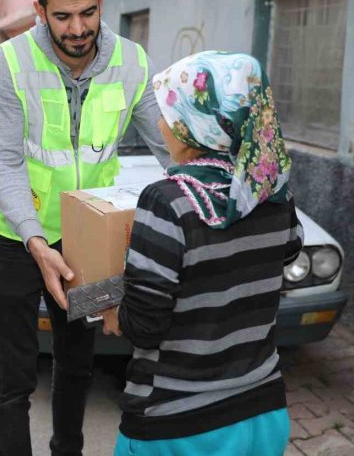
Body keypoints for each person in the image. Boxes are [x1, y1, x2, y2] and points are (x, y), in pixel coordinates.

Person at [0, 0, 171, 456]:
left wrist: (208, 195)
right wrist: (35, 240)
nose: (77, 29)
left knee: (76, 362)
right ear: (40, 11)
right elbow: (4, 160)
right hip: (16, 239)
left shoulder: (133, 61)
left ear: (102, 1)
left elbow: (169, 145)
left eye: (88, 12)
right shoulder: (10, 62)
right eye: (62, 16)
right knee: (17, 374)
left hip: (85, 240)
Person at [101, 51, 303, 456]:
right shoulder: (272, 193)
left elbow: (145, 326)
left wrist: (111, 311)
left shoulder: (167, 202)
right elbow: (283, 253)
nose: (160, 126)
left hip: (179, 426)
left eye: (169, 115)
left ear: (197, 123)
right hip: (262, 414)